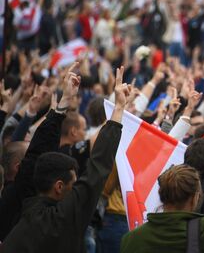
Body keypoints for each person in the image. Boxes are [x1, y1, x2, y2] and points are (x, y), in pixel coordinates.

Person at [0, 65, 130, 252]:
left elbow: (35, 154)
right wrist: (118, 109)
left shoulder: (25, 206)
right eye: (75, 183)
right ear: (59, 186)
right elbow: (96, 170)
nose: (77, 186)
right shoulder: (64, 219)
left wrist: (64, 103)